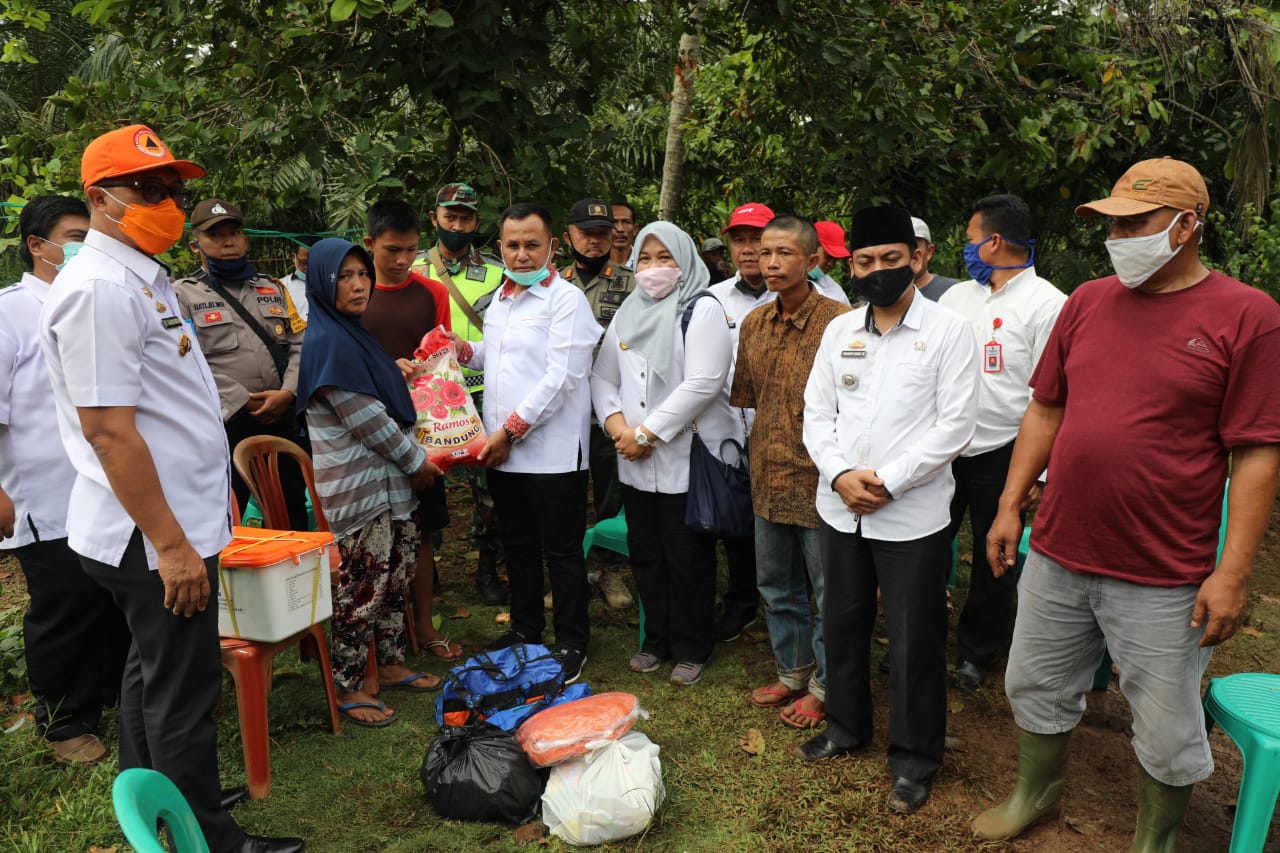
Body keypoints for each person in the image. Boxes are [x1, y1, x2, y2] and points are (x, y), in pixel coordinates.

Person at [976, 158, 1280, 849]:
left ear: (1186, 226)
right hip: (1060, 545)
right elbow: (1046, 408)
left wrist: (1232, 573)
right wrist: (1009, 503)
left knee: (1168, 723)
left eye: (1133, 223)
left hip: (1165, 566)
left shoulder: (1249, 316)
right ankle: (1036, 790)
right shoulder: (1088, 301)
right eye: (1111, 223)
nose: (1117, 237)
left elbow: (1259, 451)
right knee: (1034, 682)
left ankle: (1156, 838)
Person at [41, 124, 304, 852]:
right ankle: (206, 837)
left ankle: (156, 798)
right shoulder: (98, 290)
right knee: (185, 690)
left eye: (174, 191)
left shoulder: (138, 274)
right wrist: (171, 546)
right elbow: (109, 432)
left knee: (150, 671)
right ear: (99, 198)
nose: (170, 204)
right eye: (148, 190)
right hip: (151, 535)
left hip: (167, 524)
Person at [798, 204, 978, 816]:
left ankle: (914, 758)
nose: (877, 271)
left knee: (914, 640)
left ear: (918, 258)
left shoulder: (950, 331)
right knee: (843, 624)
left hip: (912, 516)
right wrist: (842, 476)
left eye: (891, 260)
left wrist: (888, 482)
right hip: (839, 506)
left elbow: (955, 426)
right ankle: (846, 728)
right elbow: (816, 415)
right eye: (866, 261)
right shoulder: (839, 331)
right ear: (851, 265)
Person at [0, 195, 130, 766]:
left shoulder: (97, 301)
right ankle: (63, 721)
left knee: (112, 599)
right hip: (44, 493)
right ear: (36, 244)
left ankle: (113, 698)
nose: (84, 244)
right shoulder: (9, 313)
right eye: (74, 234)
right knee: (64, 605)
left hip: (105, 487)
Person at [297, 237, 445, 727]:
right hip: (362, 490)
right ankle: (345, 684)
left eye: (363, 275)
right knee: (364, 585)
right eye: (345, 276)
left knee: (394, 577)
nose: (359, 285)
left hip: (391, 486)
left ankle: (390, 660)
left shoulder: (355, 336)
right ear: (322, 282)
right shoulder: (328, 343)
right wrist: (418, 463)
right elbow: (371, 423)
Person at [454, 202, 601, 684]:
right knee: (516, 544)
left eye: (531, 245)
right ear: (500, 248)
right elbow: (494, 359)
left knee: (561, 550)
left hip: (552, 451)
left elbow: (562, 378)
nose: (521, 254)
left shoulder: (566, 300)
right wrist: (462, 351)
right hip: (503, 452)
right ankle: (525, 630)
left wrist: (510, 430)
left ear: (552, 247)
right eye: (513, 245)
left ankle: (573, 640)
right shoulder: (502, 298)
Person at [590, 221, 742, 686]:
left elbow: (703, 381)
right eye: (645, 258)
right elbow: (602, 377)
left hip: (683, 458)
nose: (654, 269)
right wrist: (618, 428)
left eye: (665, 258)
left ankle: (693, 645)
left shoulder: (703, 309)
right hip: (634, 461)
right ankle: (655, 640)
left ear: (685, 262)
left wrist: (647, 433)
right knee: (647, 554)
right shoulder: (628, 312)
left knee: (688, 557)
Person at [937, 194, 1065, 693]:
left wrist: (1040, 475)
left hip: (1006, 452)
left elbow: (1056, 395)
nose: (966, 249)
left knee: (996, 556)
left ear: (993, 241)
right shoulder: (957, 299)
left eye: (970, 239)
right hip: (944, 448)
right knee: (926, 545)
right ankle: (922, 637)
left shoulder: (1049, 305)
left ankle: (976, 652)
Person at [730, 216, 850, 728]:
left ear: (813, 261)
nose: (770, 262)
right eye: (764, 251)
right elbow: (750, 399)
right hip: (769, 476)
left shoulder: (840, 323)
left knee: (829, 592)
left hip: (822, 482)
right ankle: (794, 670)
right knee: (776, 585)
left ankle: (827, 685)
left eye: (784, 253)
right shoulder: (754, 324)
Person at [359, 199, 459, 659]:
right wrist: (384, 371)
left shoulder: (432, 293)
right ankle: (375, 631)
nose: (401, 260)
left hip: (423, 434)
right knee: (374, 537)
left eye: (411, 251)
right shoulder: (355, 296)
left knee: (421, 533)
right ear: (369, 245)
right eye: (391, 250)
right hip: (365, 436)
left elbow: (443, 360)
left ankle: (424, 626)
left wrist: (421, 368)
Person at [174, 198, 309, 531]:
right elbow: (186, 361)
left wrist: (288, 393)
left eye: (234, 232)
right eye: (216, 235)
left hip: (281, 418)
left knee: (290, 506)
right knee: (228, 515)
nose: (228, 241)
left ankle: (295, 575)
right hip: (226, 423)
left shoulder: (272, 288)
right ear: (196, 245)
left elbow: (299, 344)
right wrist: (241, 400)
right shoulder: (182, 296)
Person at [412, 182, 508, 606]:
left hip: (484, 394)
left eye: (466, 218)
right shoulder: (412, 268)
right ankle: (424, 567)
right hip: (426, 397)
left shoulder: (497, 271)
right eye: (450, 217)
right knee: (422, 481)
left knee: (490, 489)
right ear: (434, 219)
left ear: (476, 222)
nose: (457, 224)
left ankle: (487, 565)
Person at [561, 197, 637, 610]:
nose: (595, 241)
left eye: (603, 234)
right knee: (568, 496)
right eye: (586, 233)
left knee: (612, 493)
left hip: (614, 413)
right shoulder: (552, 284)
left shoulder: (633, 284)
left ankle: (610, 570)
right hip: (564, 414)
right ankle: (570, 573)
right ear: (568, 236)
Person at [707, 201, 774, 643]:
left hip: (788, 431)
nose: (748, 249)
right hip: (730, 429)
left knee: (786, 520)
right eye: (740, 240)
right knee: (737, 522)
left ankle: (787, 602)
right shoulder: (715, 299)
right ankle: (742, 599)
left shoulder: (810, 295)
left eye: (757, 239)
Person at [911, 216, 960, 301]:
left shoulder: (955, 290)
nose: (906, 253)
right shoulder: (882, 296)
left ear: (929, 251)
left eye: (913, 246)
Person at [809, 220, 852, 305]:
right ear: (810, 246)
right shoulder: (782, 280)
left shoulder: (836, 294)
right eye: (828, 256)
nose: (831, 264)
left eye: (835, 260)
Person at [279, 236, 315, 321]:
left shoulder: (330, 285)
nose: (308, 267)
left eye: (313, 262)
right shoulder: (281, 286)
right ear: (293, 257)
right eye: (303, 262)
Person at [610, 198, 638, 268]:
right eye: (614, 222)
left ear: (635, 229)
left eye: (626, 222)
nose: (620, 229)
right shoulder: (596, 263)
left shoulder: (646, 263)